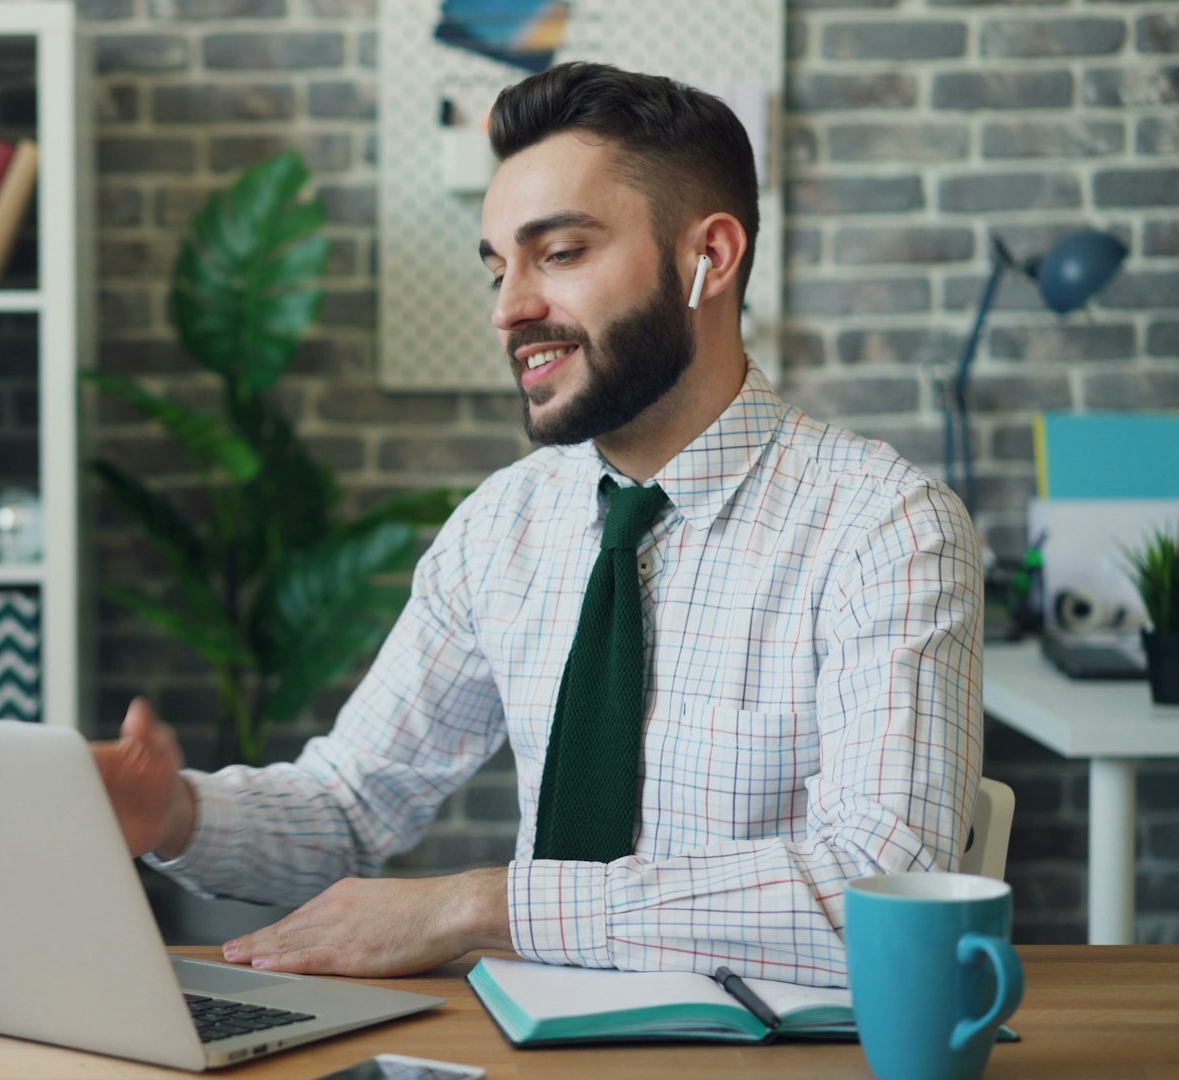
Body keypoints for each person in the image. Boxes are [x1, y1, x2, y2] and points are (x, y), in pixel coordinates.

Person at [92, 62, 982, 988]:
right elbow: (352, 803)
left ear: (707, 259)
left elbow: (891, 888)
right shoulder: (502, 527)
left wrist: (480, 906)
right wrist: (169, 815)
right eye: (498, 267)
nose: (509, 308)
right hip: (529, 1045)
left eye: (557, 254)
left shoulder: (885, 527)